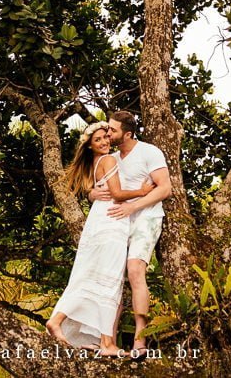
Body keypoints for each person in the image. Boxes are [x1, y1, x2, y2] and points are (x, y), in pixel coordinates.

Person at [45, 122, 156, 355]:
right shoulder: (108, 160)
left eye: (106, 137)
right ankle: (71, 327)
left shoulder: (97, 162)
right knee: (109, 279)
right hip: (111, 222)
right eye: (98, 140)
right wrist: (143, 192)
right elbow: (116, 195)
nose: (105, 141)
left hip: (100, 221)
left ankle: (104, 342)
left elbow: (101, 191)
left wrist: (93, 194)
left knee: (96, 278)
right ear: (90, 146)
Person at [91, 110, 172, 356]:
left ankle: (140, 340)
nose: (107, 133)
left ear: (127, 133)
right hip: (117, 221)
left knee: (135, 270)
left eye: (112, 130)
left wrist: (133, 206)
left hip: (145, 217)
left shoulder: (149, 152)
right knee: (111, 277)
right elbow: (94, 186)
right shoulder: (110, 157)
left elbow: (165, 188)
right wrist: (91, 194)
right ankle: (108, 341)